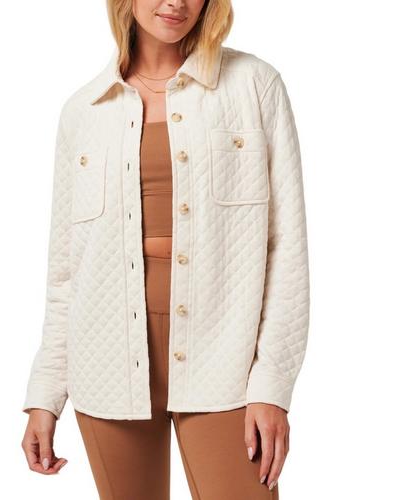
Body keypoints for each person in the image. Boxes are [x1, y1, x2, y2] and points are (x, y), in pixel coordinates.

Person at [21, 1, 310, 498]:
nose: (176, 2)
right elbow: (67, 271)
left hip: (226, 358)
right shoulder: (84, 111)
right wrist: (44, 396)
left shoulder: (253, 85)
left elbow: (286, 249)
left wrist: (272, 387)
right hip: (106, 364)